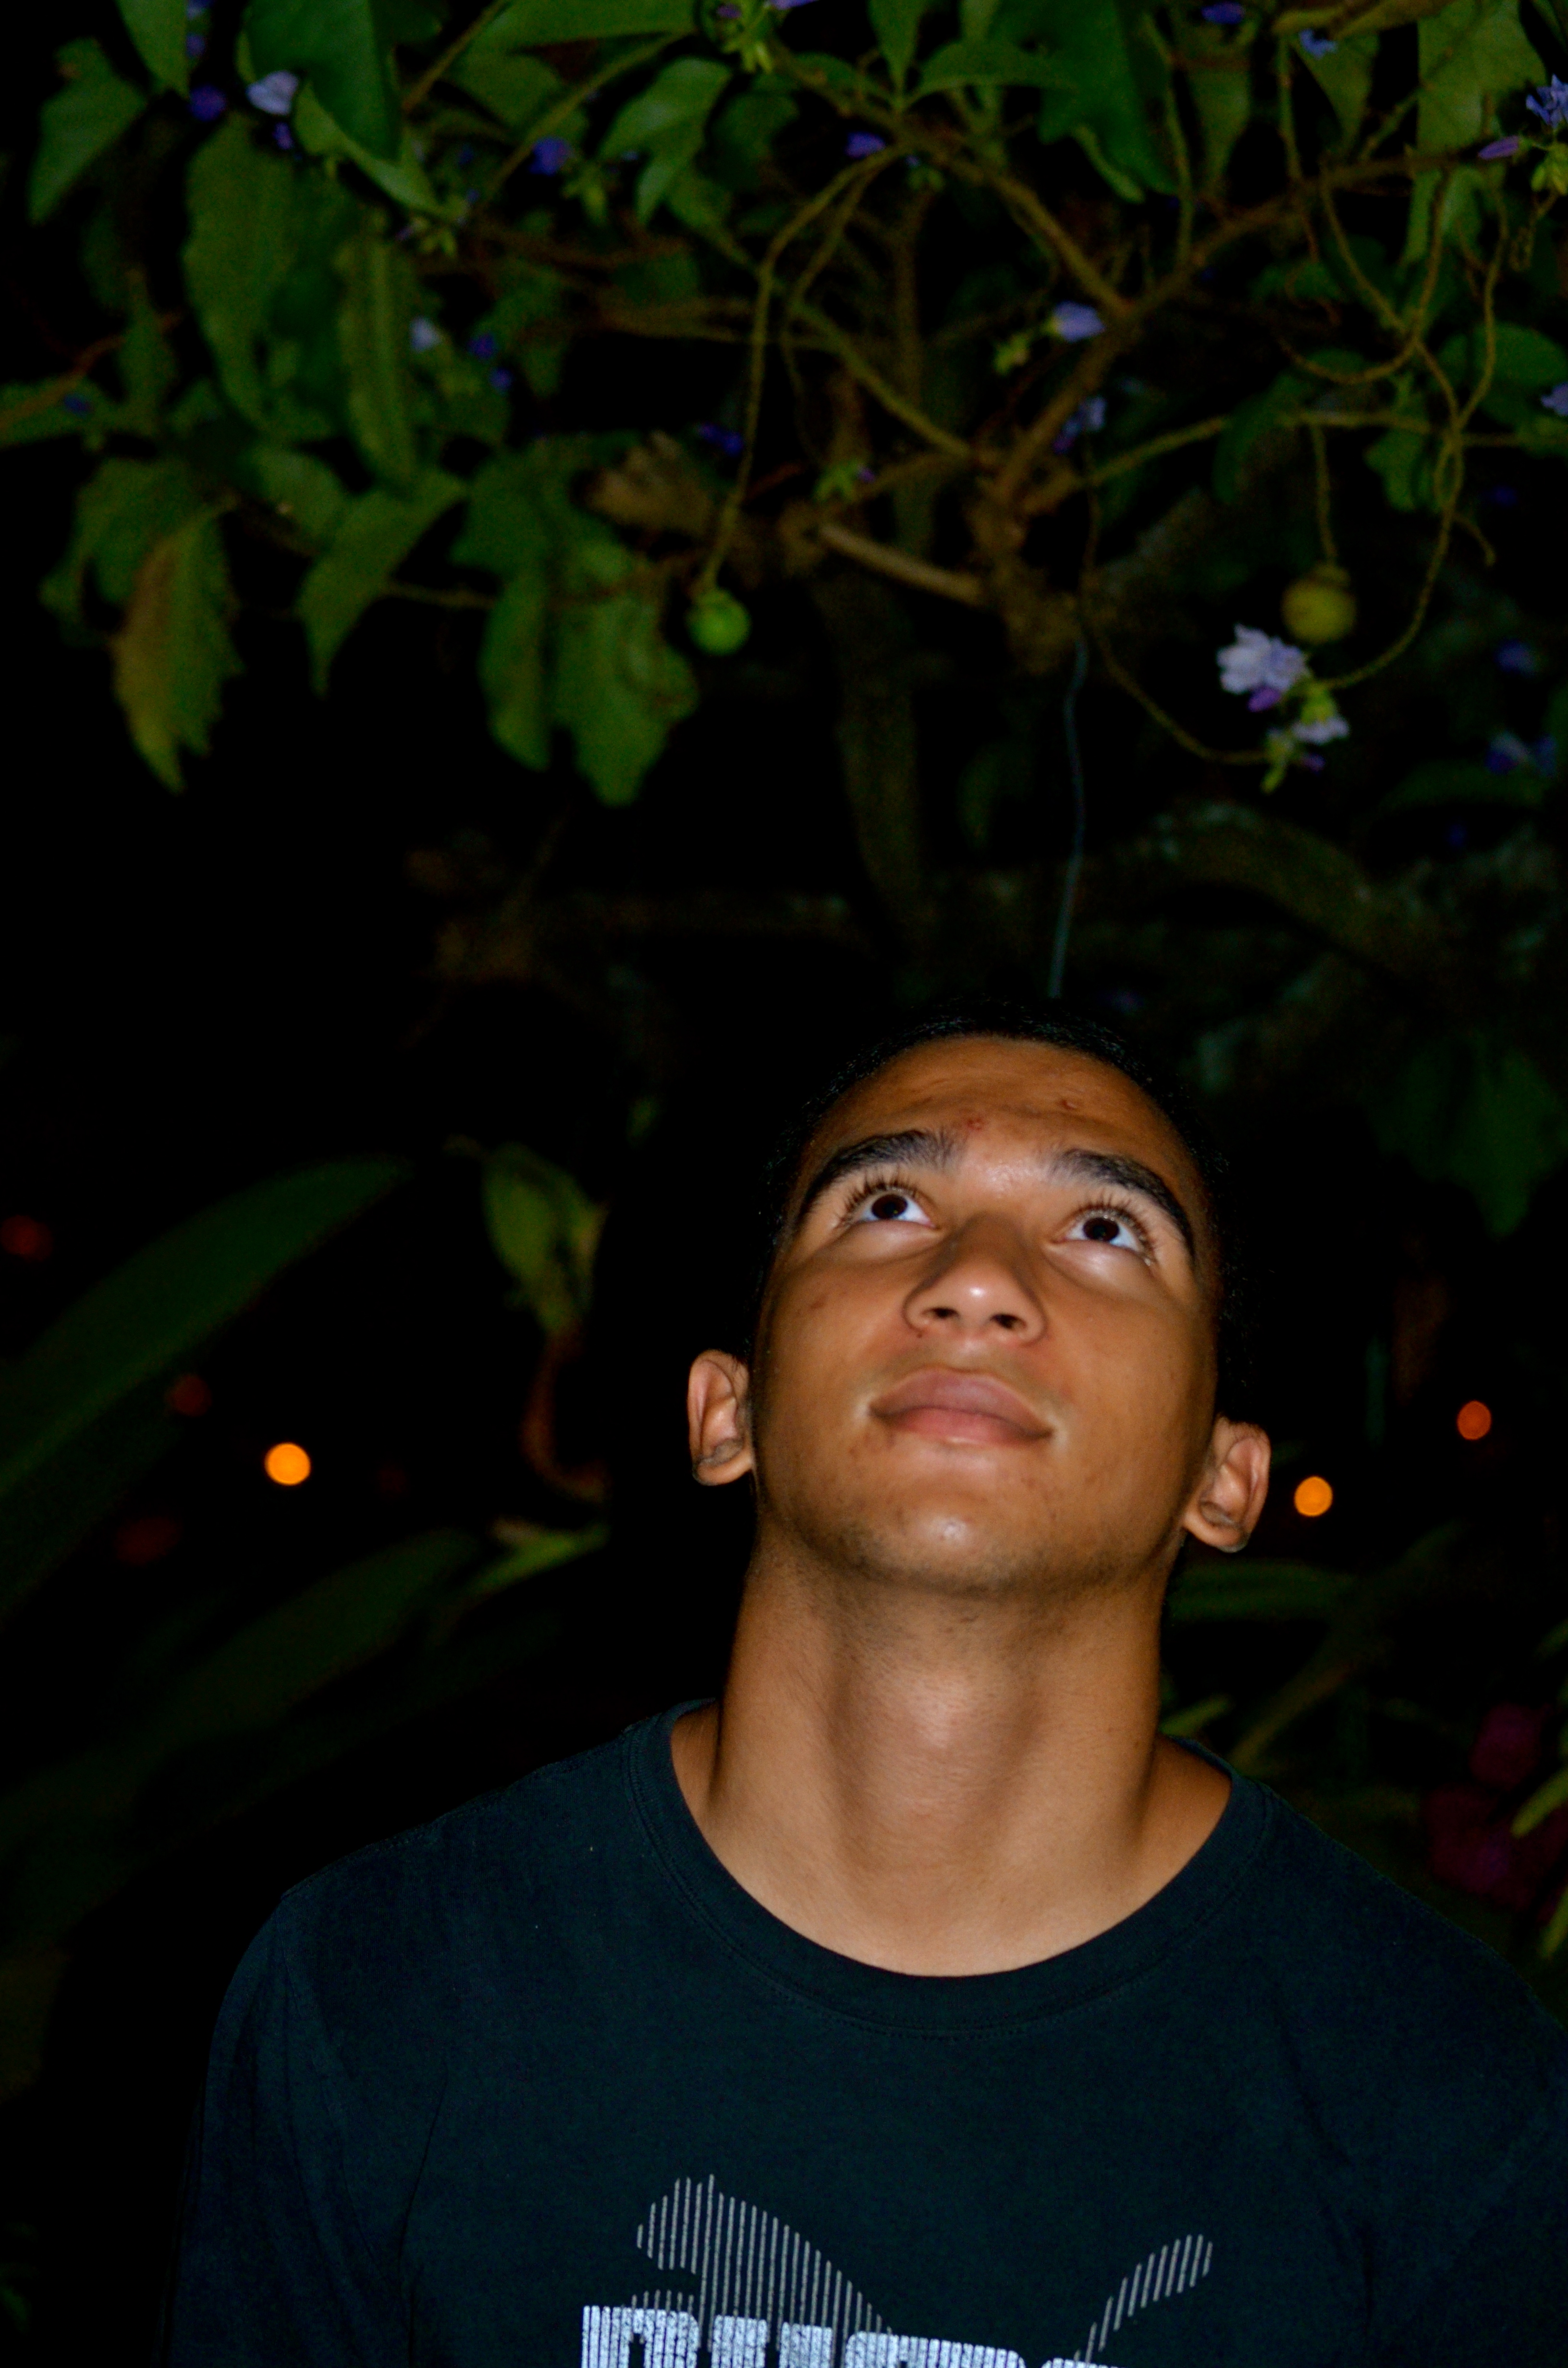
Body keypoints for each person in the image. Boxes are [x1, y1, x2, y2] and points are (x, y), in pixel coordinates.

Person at [159, 1005, 1568, 2368]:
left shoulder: (1442, 2086)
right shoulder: (380, 1986)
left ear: (1226, 1477)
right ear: (726, 1411)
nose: (979, 1279)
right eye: (887, 1204)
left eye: (1105, 1229)